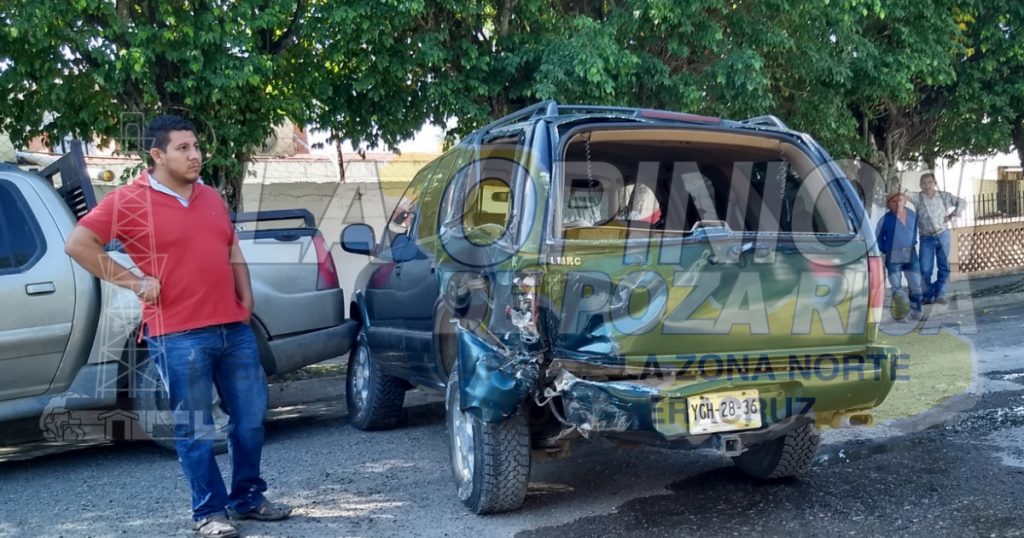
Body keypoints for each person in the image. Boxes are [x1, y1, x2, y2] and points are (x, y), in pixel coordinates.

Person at [65, 115, 291, 538]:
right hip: (177, 334)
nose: (195, 155)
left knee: (249, 421)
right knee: (194, 427)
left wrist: (246, 300)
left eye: (196, 146)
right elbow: (79, 245)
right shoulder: (128, 201)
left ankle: (247, 498)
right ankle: (210, 511)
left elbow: (231, 248)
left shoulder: (210, 195)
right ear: (157, 154)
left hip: (233, 330)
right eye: (183, 148)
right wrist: (135, 283)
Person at [908, 172, 966, 305]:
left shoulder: (944, 196)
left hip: (943, 235)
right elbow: (904, 193)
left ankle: (940, 294)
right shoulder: (917, 198)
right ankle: (927, 296)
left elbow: (962, 202)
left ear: (934, 183)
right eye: (924, 183)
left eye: (930, 182)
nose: (927, 185)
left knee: (944, 266)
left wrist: (953, 215)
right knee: (925, 268)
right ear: (920, 185)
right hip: (926, 237)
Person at [876, 192, 923, 320]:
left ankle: (916, 311)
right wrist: (885, 250)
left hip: (910, 253)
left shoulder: (912, 215)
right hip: (893, 255)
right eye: (894, 202)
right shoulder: (885, 220)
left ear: (905, 201)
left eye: (900, 200)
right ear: (889, 204)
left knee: (915, 284)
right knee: (896, 286)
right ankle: (902, 314)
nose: (897, 204)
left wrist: (912, 242)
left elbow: (915, 231)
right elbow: (878, 237)